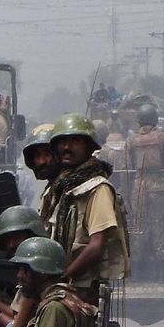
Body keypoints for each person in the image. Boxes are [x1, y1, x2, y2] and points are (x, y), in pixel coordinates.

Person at [42, 113, 130, 296]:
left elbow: (96, 246)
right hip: (57, 281)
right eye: (62, 142)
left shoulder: (98, 188)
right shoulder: (58, 187)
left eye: (75, 142)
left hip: (80, 285)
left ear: (89, 147)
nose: (66, 147)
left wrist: (63, 279)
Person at [122, 103, 164, 282]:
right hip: (160, 185)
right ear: (155, 119)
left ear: (139, 120)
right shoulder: (163, 136)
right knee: (159, 230)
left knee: (139, 229)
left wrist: (125, 195)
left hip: (139, 187)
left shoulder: (131, 141)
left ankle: (137, 275)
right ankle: (162, 276)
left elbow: (126, 169)